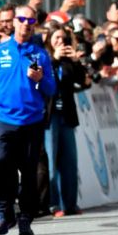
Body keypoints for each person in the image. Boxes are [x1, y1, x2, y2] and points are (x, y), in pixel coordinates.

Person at [0, 5, 56, 235]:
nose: (26, 24)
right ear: (13, 22)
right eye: (22, 19)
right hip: (4, 119)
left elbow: (51, 89)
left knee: (29, 171)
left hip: (32, 121)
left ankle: (25, 218)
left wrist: (40, 79)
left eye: (31, 21)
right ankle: (5, 213)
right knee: (0, 163)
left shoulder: (40, 54)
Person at [44, 27, 90, 217]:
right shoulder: (43, 57)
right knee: (50, 161)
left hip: (67, 114)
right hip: (49, 115)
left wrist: (76, 61)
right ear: (49, 40)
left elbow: (83, 81)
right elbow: (40, 79)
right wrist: (54, 58)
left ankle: (70, 203)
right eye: (57, 38)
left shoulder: (68, 61)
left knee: (70, 161)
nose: (61, 42)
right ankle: (53, 204)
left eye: (64, 39)